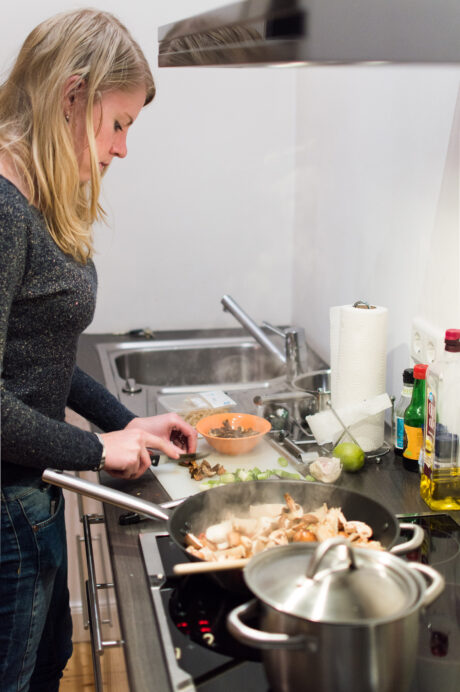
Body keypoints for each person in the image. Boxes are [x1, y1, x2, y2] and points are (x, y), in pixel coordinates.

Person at [0, 9, 197, 691]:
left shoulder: (34, 191)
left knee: (46, 668)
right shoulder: (2, 207)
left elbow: (42, 350)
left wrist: (120, 422)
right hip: (6, 512)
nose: (120, 148)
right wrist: (93, 449)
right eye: (119, 124)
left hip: (32, 491)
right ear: (72, 95)